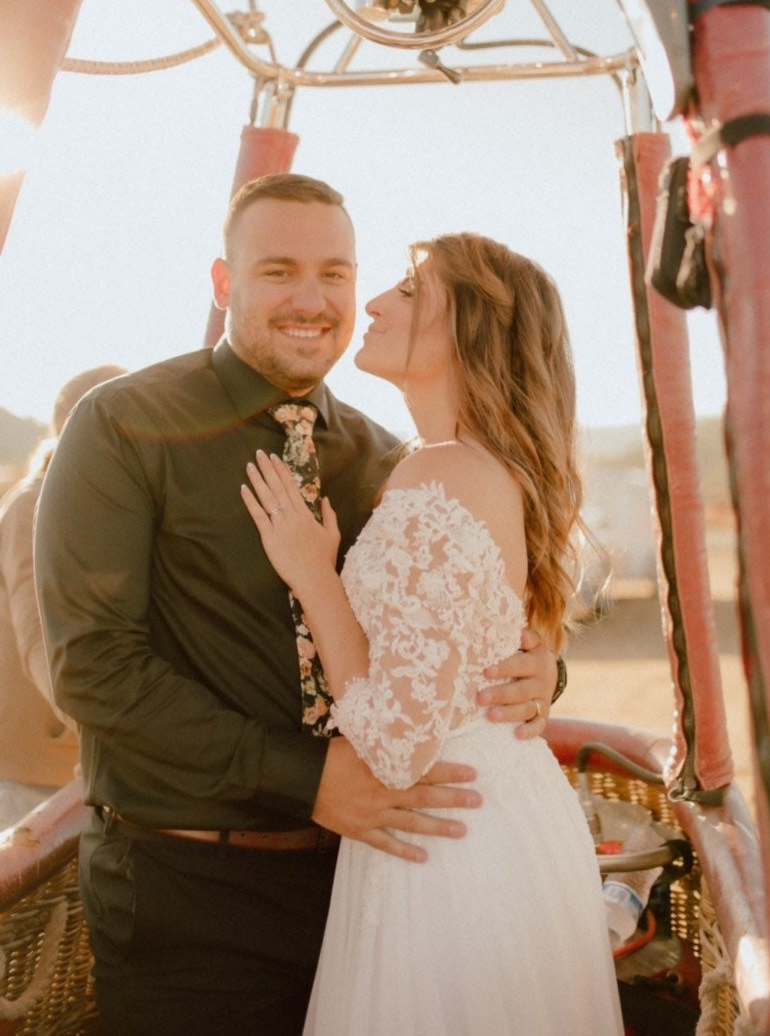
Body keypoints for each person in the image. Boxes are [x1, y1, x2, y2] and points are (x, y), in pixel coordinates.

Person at [34, 173, 562, 1036]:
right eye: (279, 271)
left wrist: (545, 670)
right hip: (189, 899)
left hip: (373, 888)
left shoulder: (386, 455)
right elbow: (93, 667)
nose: (313, 301)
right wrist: (311, 781)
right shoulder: (124, 425)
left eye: (338, 274)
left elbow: (443, 627)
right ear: (223, 283)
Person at [242, 232, 624, 1035]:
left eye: (411, 292)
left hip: (446, 839)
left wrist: (315, 579)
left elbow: (398, 749)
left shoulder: (442, 472)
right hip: (493, 816)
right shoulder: (466, 465)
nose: (377, 303)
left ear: (470, 331)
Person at [0, 365, 125, 832]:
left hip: (82, 769)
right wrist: (98, 735)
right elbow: (39, 634)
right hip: (33, 774)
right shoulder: (32, 503)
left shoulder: (109, 508)